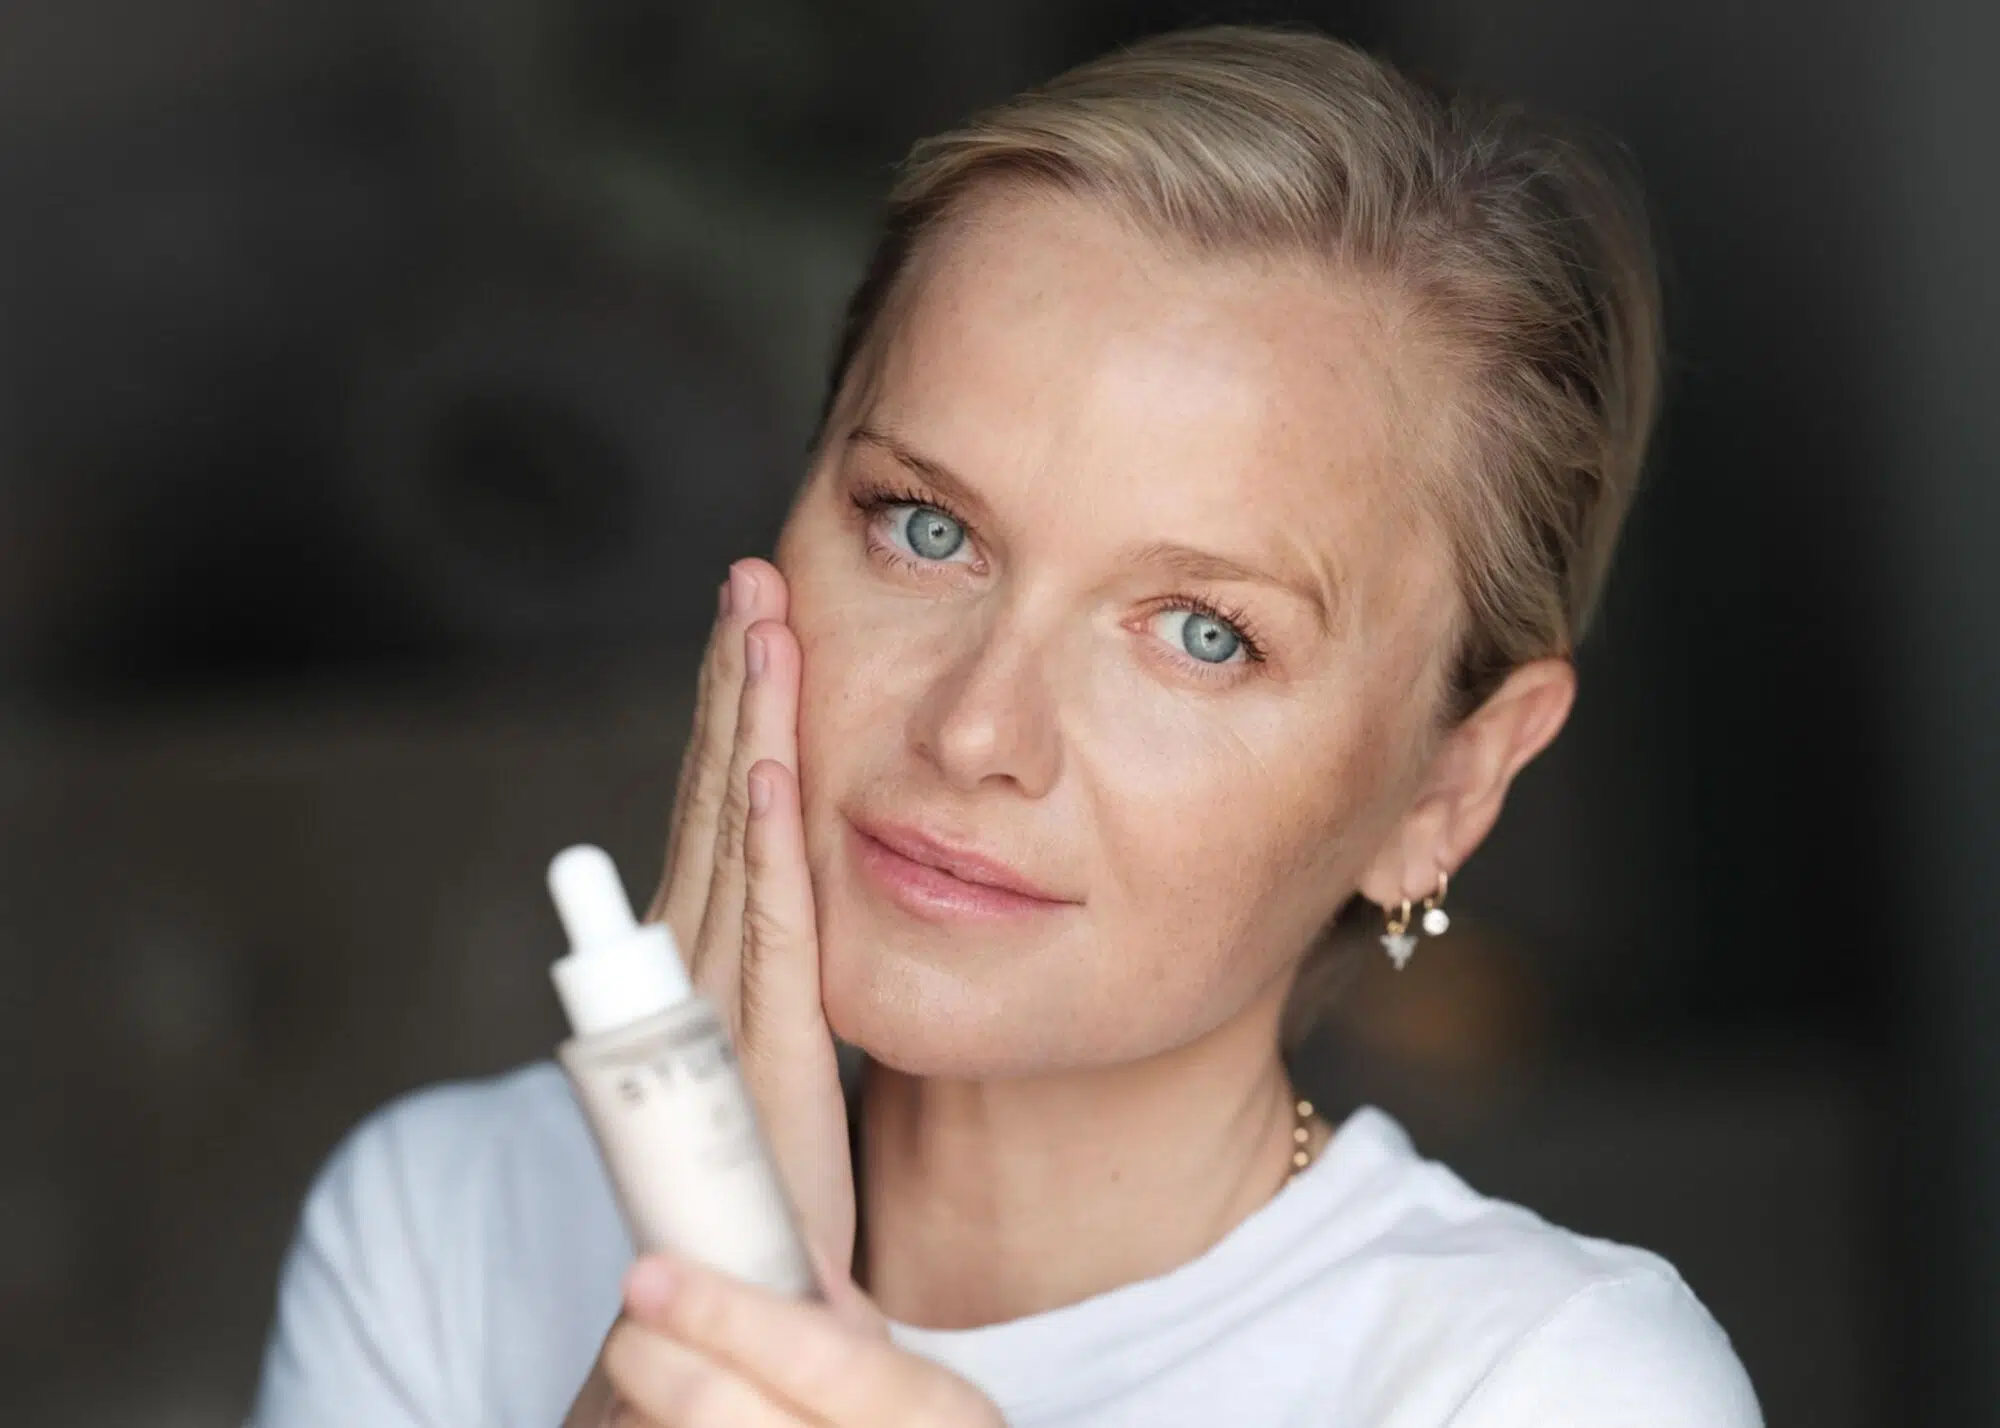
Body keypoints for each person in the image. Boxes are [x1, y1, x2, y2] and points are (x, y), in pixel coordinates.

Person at [249, 25, 1763, 1428]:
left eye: (1203, 632)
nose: (977, 728)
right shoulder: (447, 1224)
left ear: (1450, 786)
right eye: (924, 529)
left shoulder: (1548, 1386)